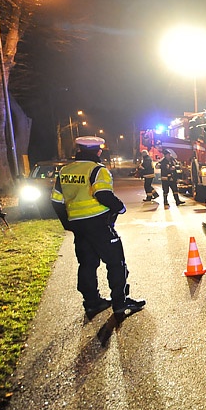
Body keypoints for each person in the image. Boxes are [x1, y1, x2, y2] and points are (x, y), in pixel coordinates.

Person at [51, 136, 145, 320]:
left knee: (86, 264)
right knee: (116, 262)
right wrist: (120, 207)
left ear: (78, 150)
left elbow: (56, 201)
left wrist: (68, 223)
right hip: (99, 224)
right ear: (98, 151)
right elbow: (102, 194)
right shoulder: (97, 170)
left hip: (79, 226)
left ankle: (92, 303)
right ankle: (120, 302)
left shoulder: (65, 171)